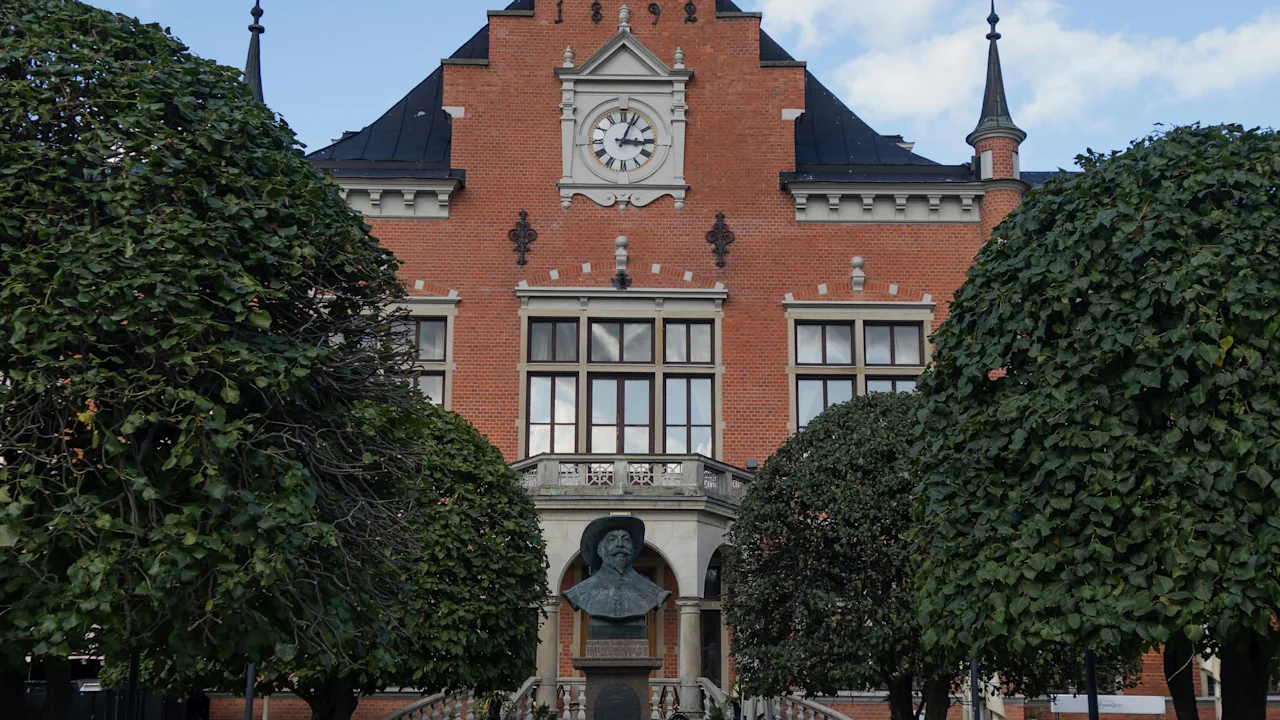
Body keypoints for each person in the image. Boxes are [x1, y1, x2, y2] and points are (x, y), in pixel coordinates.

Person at [563, 516, 671, 638]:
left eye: (626, 540)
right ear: (599, 550)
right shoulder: (578, 593)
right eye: (612, 540)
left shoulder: (656, 594)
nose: (620, 545)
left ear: (633, 549)